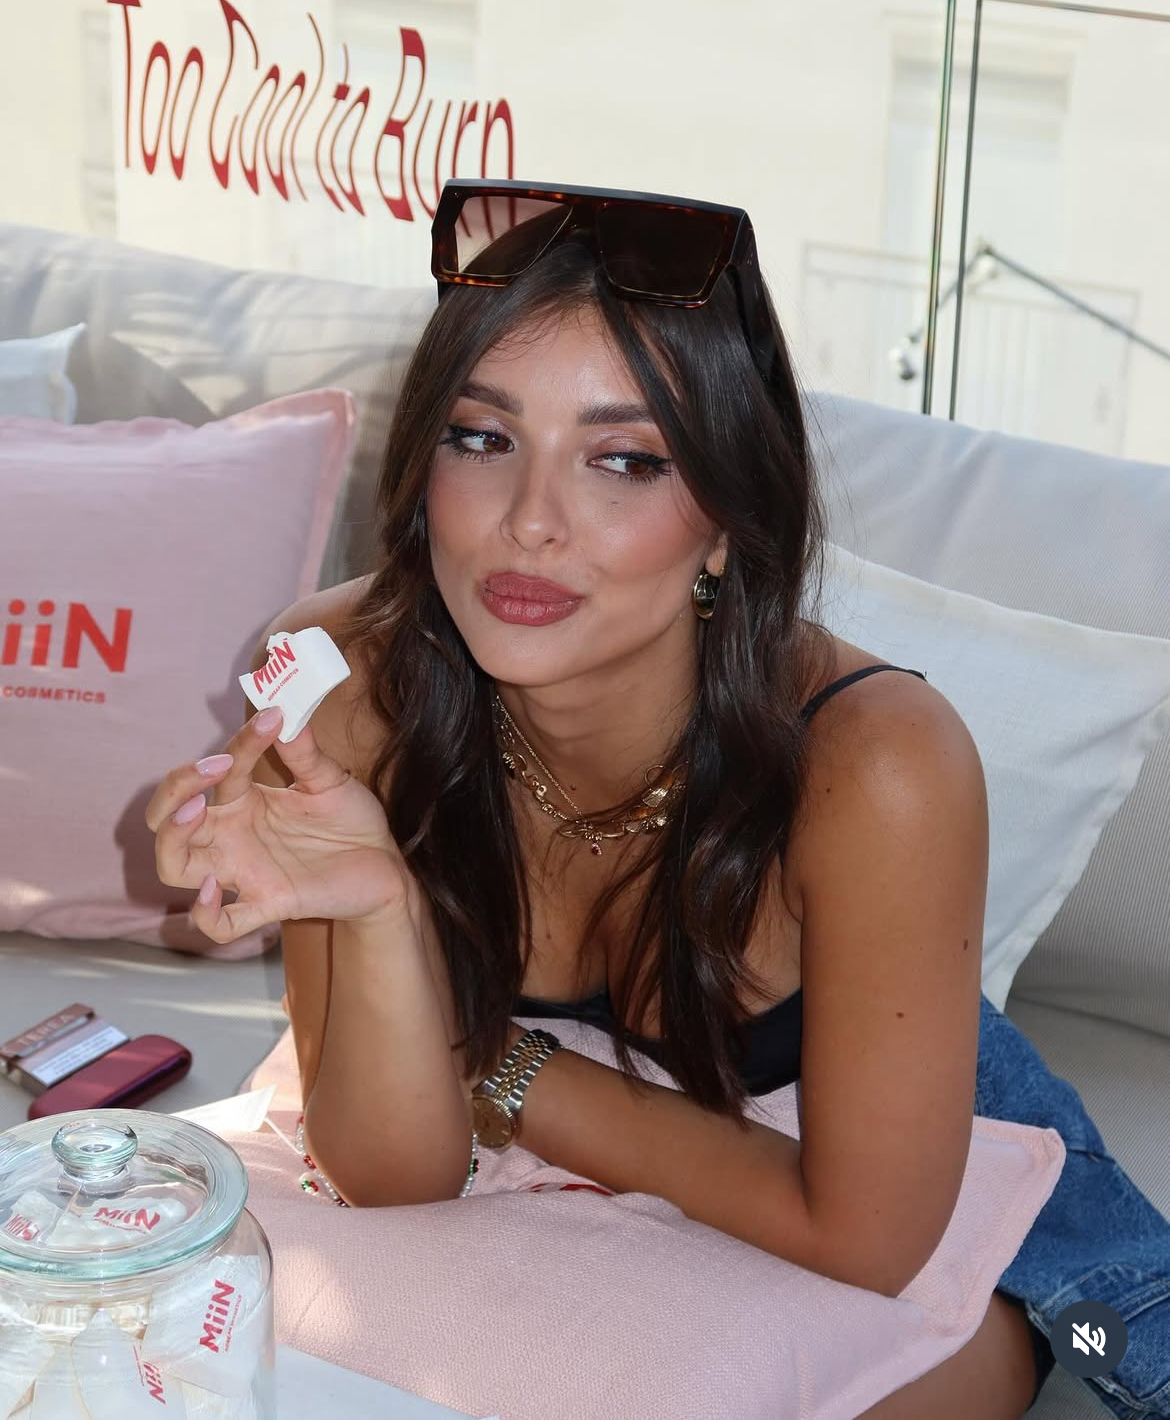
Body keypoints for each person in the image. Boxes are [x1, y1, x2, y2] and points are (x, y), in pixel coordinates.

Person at [146, 179, 1170, 1420]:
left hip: (876, 1176)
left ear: (728, 524)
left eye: (625, 461)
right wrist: (375, 915)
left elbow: (865, 1240)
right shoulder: (343, 684)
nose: (531, 524)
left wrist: (498, 1065)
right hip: (552, 1181)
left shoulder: (877, 766)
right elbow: (389, 1178)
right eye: (483, 439)